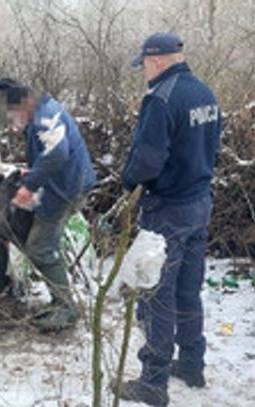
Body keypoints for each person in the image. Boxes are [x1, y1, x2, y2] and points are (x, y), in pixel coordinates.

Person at [120, 33, 221, 406]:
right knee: (187, 289)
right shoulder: (204, 94)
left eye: (144, 64)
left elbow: (147, 160)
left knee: (156, 296)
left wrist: (127, 181)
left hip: (168, 210)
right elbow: (213, 147)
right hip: (199, 202)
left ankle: (153, 381)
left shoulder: (160, 99)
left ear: (158, 60)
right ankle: (193, 363)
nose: (143, 70)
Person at [0, 78, 96, 331]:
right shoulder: (42, 111)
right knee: (46, 243)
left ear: (24, 104)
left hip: (66, 189)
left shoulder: (45, 117)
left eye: (14, 111)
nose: (12, 117)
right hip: (65, 185)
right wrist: (30, 173)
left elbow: (57, 153)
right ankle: (60, 299)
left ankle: (67, 308)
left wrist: (29, 187)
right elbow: (45, 152)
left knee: (39, 248)